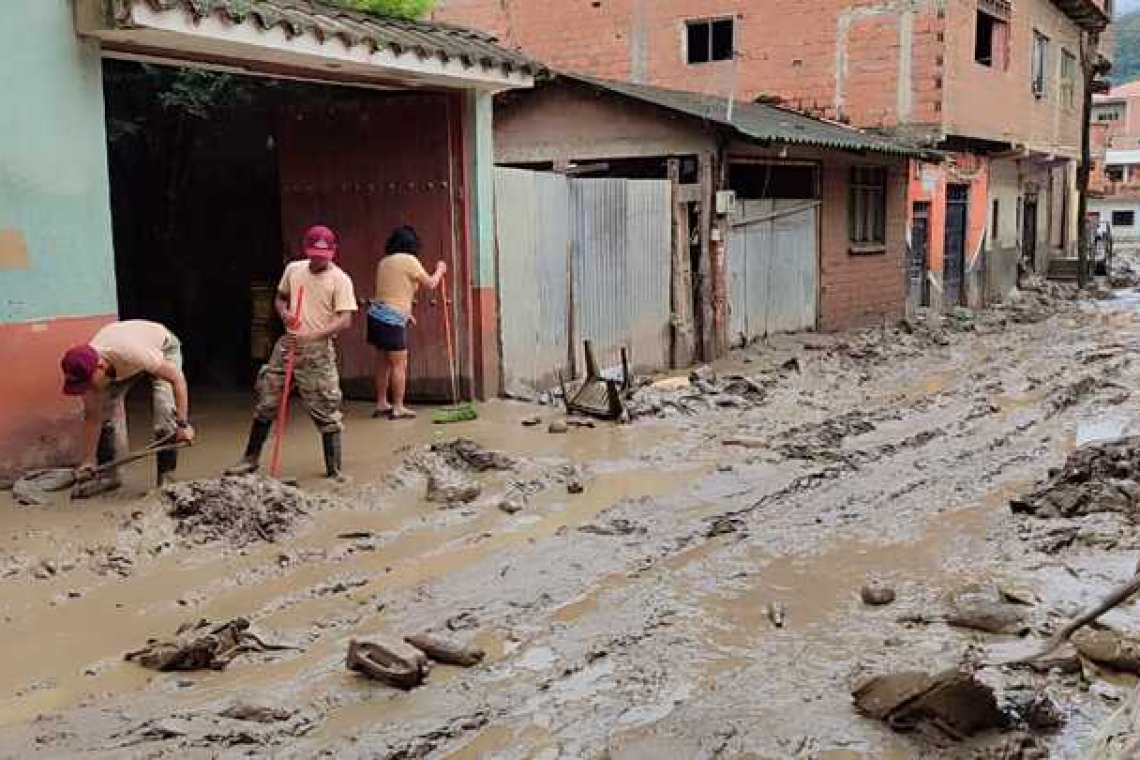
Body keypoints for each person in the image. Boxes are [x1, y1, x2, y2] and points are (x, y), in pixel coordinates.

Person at [227, 224, 357, 480]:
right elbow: (280, 298)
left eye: (324, 256)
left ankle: (334, 470)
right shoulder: (294, 269)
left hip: (318, 351)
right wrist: (285, 313)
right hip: (287, 345)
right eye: (314, 255)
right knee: (266, 402)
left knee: (326, 408)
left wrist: (313, 335)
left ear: (333, 252)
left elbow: (345, 320)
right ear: (306, 250)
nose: (318, 260)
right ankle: (250, 459)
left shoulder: (340, 279)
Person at [59, 320, 194, 497]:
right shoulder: (88, 370)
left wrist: (183, 425)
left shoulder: (132, 353)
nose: (87, 388)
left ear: (100, 367)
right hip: (124, 361)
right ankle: (110, 476)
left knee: (165, 410)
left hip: (162, 347)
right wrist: (88, 460)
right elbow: (93, 418)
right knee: (105, 410)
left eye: (88, 382)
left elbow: (177, 380)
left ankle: (166, 478)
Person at [367, 225, 446, 419]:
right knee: (399, 365)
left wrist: (407, 314)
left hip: (375, 316)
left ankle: (381, 402)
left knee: (383, 362)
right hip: (392, 319)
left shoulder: (384, 262)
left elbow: (392, 291)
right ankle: (398, 406)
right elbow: (431, 284)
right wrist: (440, 270)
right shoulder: (410, 260)